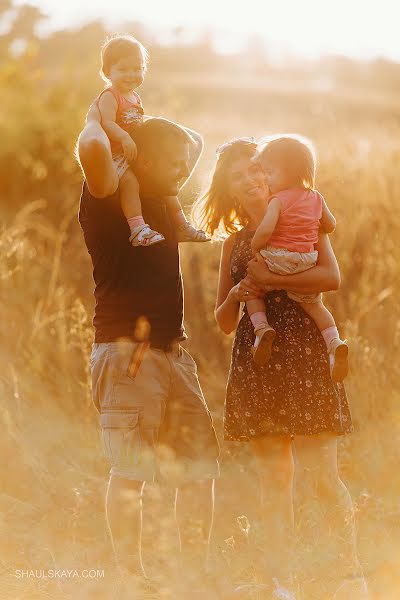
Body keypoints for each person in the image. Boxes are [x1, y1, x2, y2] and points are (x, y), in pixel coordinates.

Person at [194, 138, 367, 598]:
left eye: (256, 169)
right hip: (259, 359)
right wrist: (237, 293)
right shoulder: (233, 243)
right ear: (227, 190)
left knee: (324, 474)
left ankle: (350, 574)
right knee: (276, 481)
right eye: (238, 176)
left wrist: (269, 278)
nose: (252, 179)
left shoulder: (303, 217)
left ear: (270, 172)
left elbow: (330, 278)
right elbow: (225, 322)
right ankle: (280, 582)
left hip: (308, 356)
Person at [77, 113, 220, 593]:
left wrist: (157, 141)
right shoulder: (109, 199)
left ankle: (193, 574)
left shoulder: (162, 197)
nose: (184, 170)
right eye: (174, 163)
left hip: (173, 352)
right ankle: (131, 579)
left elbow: (194, 140)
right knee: (132, 471)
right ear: (142, 158)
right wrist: (104, 116)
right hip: (127, 354)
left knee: (200, 467)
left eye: (184, 164)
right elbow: (91, 149)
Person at [245, 134, 348, 382]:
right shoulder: (316, 197)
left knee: (253, 290)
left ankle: (262, 330)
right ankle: (334, 343)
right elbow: (330, 224)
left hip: (278, 258)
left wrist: (256, 245)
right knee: (315, 305)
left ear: (287, 172)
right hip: (306, 260)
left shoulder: (278, 200)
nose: (266, 178)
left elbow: (267, 229)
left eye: (270, 172)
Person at [91, 33, 208, 246]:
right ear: (107, 72)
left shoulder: (134, 97)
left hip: (133, 149)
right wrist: (125, 138)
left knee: (164, 184)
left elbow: (137, 120)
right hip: (117, 153)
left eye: (137, 69)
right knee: (130, 183)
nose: (131, 74)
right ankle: (137, 228)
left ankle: (181, 225)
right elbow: (107, 123)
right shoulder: (110, 96)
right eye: (123, 69)